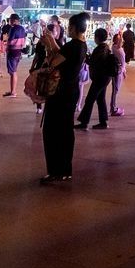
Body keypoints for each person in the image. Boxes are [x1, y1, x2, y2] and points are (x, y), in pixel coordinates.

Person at [41, 12, 88, 183]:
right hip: (71, 91)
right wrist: (52, 43)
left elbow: (53, 62)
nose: (67, 29)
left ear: (74, 28)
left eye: (69, 27)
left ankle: (55, 171)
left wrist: (49, 44)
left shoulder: (72, 46)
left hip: (59, 93)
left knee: (52, 131)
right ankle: (65, 170)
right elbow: (62, 56)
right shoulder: (82, 45)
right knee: (66, 130)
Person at [77, 28, 115, 130]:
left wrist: (85, 56)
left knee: (89, 99)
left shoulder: (100, 49)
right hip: (105, 77)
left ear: (97, 38)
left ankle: (84, 123)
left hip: (100, 78)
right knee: (100, 99)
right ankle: (103, 122)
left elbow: (93, 62)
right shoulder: (106, 47)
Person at [3, 14, 28, 97]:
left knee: (13, 72)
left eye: (10, 19)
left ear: (14, 20)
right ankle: (12, 91)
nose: (9, 21)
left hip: (12, 52)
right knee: (14, 71)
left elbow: (10, 41)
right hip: (18, 51)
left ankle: (13, 92)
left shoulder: (13, 29)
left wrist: (6, 44)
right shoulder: (22, 29)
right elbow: (24, 40)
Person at [109, 33, 127, 116]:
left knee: (116, 89)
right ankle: (113, 108)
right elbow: (122, 62)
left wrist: (124, 71)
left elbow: (123, 61)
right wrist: (121, 34)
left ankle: (113, 107)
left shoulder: (117, 47)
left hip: (119, 70)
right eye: (119, 39)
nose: (121, 40)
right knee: (115, 90)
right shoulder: (116, 48)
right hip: (117, 71)